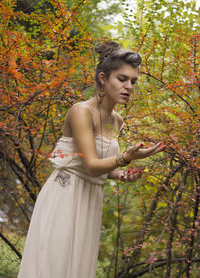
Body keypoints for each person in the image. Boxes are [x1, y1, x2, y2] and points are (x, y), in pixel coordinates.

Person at [18, 41, 166, 278]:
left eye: (133, 81)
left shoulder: (117, 121)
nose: (129, 86)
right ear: (102, 79)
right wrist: (124, 158)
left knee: (77, 267)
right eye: (122, 79)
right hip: (65, 196)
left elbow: (101, 168)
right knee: (55, 264)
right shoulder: (81, 111)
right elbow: (89, 165)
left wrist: (121, 174)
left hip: (91, 199)